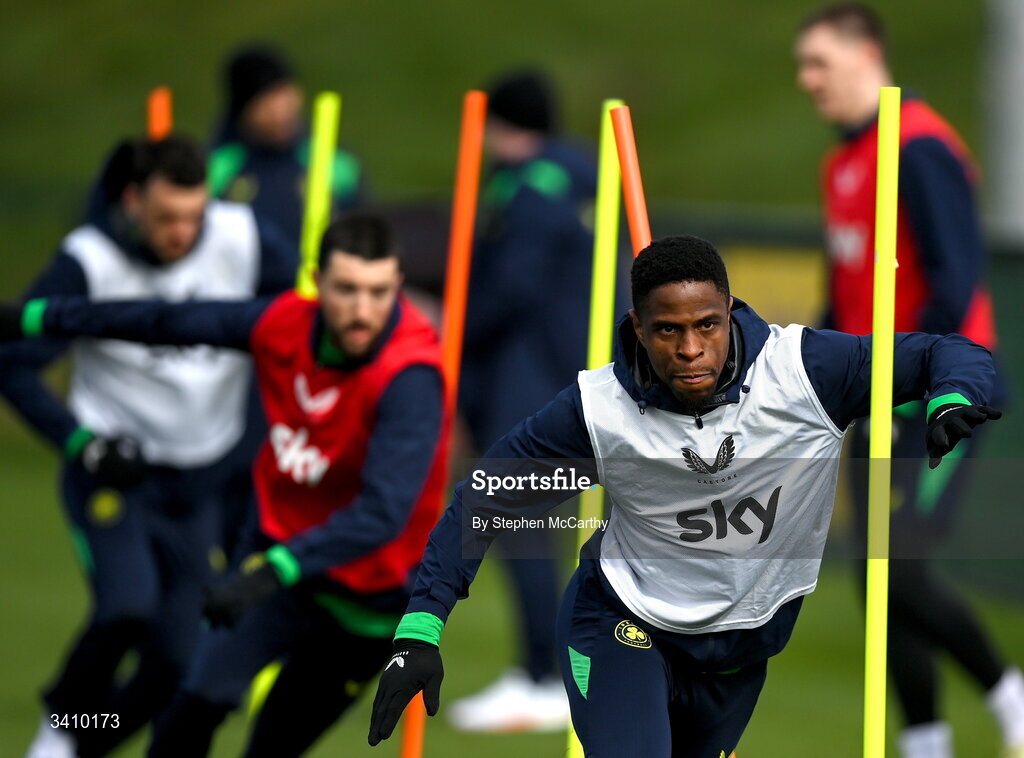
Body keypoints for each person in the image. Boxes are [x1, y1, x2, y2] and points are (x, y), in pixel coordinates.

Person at [365, 235, 1002, 757]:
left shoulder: (806, 374)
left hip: (740, 653)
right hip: (621, 624)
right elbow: (487, 498)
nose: (691, 350)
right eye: (668, 330)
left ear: (730, 311)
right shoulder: (598, 414)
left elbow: (946, 351)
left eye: (706, 325)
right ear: (638, 329)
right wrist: (421, 628)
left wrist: (953, 396)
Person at [0, 214, 450, 757]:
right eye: (346, 289)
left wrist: (275, 570)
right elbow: (167, 320)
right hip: (275, 564)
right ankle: (69, 737)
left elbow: (383, 512)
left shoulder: (411, 377)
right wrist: (36, 316)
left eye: (379, 293)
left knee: (271, 747)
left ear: (397, 285)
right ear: (316, 283)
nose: (362, 311)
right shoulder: (281, 322)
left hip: (366, 601)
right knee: (190, 709)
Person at [0, 134, 294, 758]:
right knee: (126, 609)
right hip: (115, 477)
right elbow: (14, 364)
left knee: (177, 662)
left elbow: (296, 320)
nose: (182, 233)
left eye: (194, 216)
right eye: (166, 218)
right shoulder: (89, 260)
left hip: (199, 486)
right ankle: (61, 725)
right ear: (133, 201)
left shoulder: (242, 237)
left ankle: (82, 744)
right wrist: (80, 443)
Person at [795, 5, 1024, 757]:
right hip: (875, 397)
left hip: (940, 398)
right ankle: (926, 739)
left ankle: (1010, 696)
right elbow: (842, 299)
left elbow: (956, 286)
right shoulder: (841, 162)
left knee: (899, 568)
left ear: (866, 55)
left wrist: (899, 385)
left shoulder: (920, 146)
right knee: (874, 578)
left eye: (820, 62)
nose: (807, 80)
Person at [450, 68, 597, 732]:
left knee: (519, 524)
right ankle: (549, 671)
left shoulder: (531, 190)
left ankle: (545, 675)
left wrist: (452, 335)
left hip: (532, 375)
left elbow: (511, 288)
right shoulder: (581, 174)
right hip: (572, 369)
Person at [209, 44, 365, 247]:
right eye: (266, 105)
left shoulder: (335, 162)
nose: (281, 114)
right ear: (242, 111)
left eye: (286, 96)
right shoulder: (219, 168)